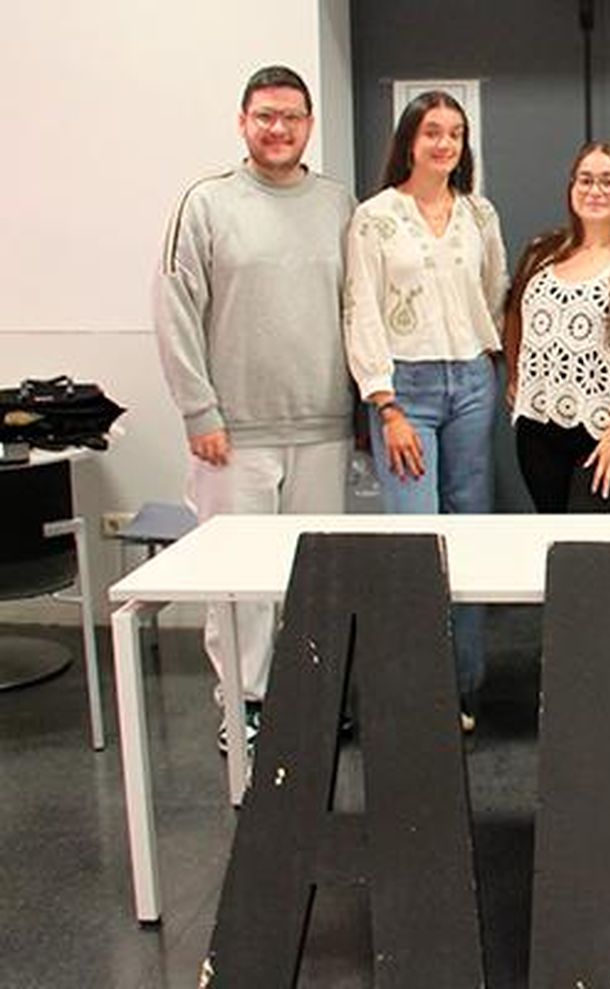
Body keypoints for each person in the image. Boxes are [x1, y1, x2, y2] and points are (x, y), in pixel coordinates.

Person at [154, 65, 354, 754]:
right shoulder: (206, 204)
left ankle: (307, 696)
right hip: (232, 434)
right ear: (243, 122)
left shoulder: (337, 205)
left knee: (314, 575)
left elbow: (356, 311)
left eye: (292, 117)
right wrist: (198, 411)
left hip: (323, 427)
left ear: (309, 125)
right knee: (239, 585)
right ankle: (242, 705)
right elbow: (176, 310)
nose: (279, 128)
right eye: (265, 115)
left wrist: (361, 407)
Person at [343, 90, 508, 732]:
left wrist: (490, 360)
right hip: (403, 392)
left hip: (470, 381)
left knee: (471, 530)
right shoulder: (375, 218)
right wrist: (384, 405)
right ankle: (420, 687)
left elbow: (492, 293)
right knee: (416, 536)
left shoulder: (478, 214)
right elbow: (360, 309)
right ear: (409, 140)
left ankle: (464, 685)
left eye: (455, 134)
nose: (444, 144)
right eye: (432, 132)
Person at [503, 142, 610, 513]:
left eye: (609, 181)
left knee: (591, 552)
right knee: (554, 540)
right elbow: (516, 314)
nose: (595, 190)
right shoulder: (542, 252)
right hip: (540, 431)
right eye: (585, 180)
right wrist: (516, 377)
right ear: (571, 187)